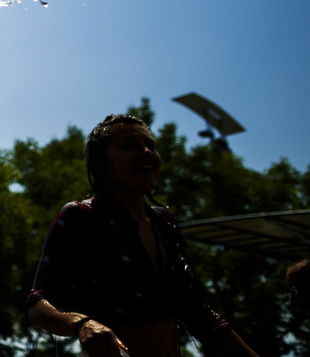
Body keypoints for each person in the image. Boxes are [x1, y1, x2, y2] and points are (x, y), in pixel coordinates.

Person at [26, 114, 260, 357]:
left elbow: (201, 317)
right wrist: (81, 323)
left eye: (151, 146)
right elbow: (38, 302)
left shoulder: (164, 223)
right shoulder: (81, 216)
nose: (146, 152)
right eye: (129, 146)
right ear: (102, 163)